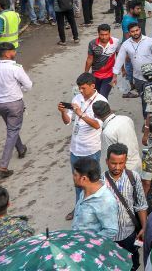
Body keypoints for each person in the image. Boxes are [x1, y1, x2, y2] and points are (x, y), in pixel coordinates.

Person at [60, 72, 107, 217]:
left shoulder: (101, 101)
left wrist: (80, 114)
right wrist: (63, 112)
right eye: (79, 88)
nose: (81, 91)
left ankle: (97, 210)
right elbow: (68, 121)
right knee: (78, 182)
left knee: (93, 182)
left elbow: (97, 125)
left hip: (91, 150)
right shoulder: (77, 98)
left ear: (93, 86)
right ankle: (79, 207)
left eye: (83, 88)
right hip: (75, 149)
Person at [0, 42, 32, 178]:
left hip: (0, 104)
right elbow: (28, 85)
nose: (15, 52)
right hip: (14, 103)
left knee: (12, 128)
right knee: (12, 131)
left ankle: (21, 148)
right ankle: (3, 166)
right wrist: (20, 89)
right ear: (7, 53)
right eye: (13, 51)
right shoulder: (16, 68)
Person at [105, 143, 150, 268]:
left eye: (121, 163)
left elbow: (141, 205)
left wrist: (144, 227)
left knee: (131, 265)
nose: (117, 167)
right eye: (113, 163)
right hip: (108, 238)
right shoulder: (100, 182)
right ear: (107, 161)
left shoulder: (133, 177)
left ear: (126, 161)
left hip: (129, 235)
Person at [71, 155, 119, 239]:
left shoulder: (106, 201)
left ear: (84, 179)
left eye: (75, 175)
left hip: (89, 248)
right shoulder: (85, 191)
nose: (73, 178)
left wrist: (88, 242)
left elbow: (111, 230)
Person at [96, 100, 143, 174]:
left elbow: (111, 157)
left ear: (96, 116)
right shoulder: (126, 119)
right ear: (110, 109)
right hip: (136, 163)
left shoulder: (108, 132)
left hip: (123, 171)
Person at [85, 23, 120, 98]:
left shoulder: (116, 42)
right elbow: (89, 59)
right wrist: (86, 74)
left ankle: (104, 108)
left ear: (110, 33)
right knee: (95, 96)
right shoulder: (92, 44)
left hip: (109, 75)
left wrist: (117, 74)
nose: (104, 37)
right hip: (95, 75)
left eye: (106, 34)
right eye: (102, 35)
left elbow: (119, 57)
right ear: (98, 34)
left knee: (103, 96)